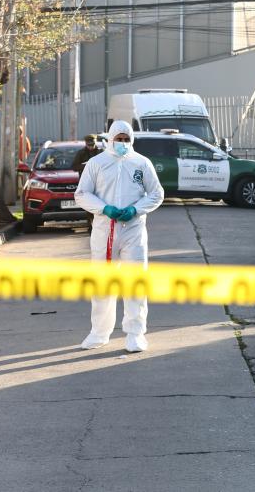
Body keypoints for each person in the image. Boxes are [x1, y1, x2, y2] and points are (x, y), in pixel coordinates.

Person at [74, 120, 164, 352]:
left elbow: (156, 194)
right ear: (111, 139)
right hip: (105, 230)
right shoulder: (97, 163)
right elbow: (82, 193)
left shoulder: (141, 163)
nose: (123, 143)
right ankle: (99, 333)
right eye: (119, 139)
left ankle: (135, 334)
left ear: (131, 140)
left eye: (126, 139)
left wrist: (136, 209)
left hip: (133, 230)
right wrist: (105, 209)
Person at [72, 135, 103, 229]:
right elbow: (74, 167)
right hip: (87, 182)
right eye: (89, 144)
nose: (91, 146)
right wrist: (86, 165)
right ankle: (90, 225)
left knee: (100, 204)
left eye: (92, 144)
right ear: (85, 143)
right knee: (89, 204)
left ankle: (99, 225)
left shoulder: (101, 152)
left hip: (100, 182)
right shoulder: (81, 153)